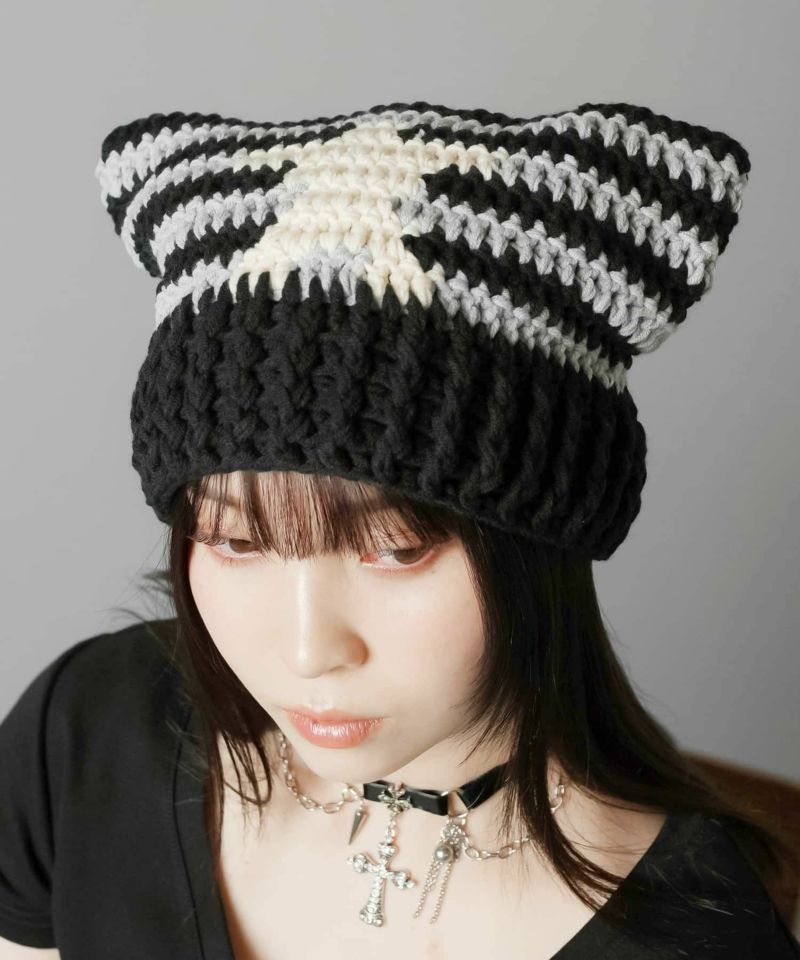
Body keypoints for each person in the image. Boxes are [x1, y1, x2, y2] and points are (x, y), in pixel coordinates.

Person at [1, 99, 798, 959]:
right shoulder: (92, 729)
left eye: (395, 550)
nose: (308, 651)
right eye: (237, 542)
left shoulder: (693, 938)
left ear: (537, 545)